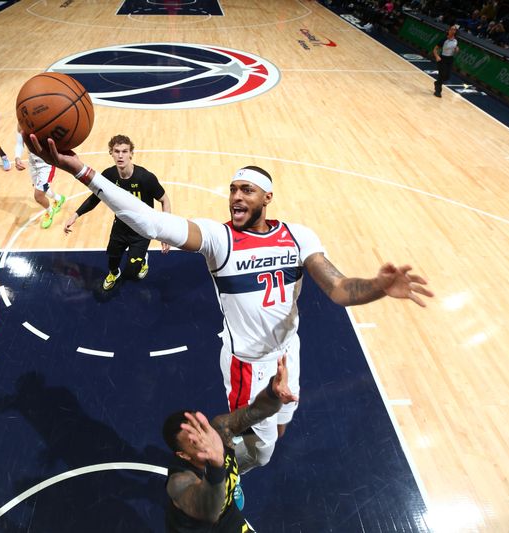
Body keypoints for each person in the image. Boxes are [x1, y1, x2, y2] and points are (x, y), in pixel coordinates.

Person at [31, 136, 434, 475]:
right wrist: (82, 171)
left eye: (246, 191)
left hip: (288, 353)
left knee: (278, 429)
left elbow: (340, 289)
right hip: (248, 365)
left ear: (267, 198)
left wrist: (380, 287)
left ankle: (234, 449)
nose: (235, 198)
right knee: (262, 453)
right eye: (233, 190)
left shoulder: (298, 236)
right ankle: (216, 471)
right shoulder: (218, 239)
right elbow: (149, 222)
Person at [163, 356, 297, 532]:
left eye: (201, 427)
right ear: (183, 455)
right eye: (193, 440)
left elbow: (256, 411)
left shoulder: (220, 429)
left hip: (228, 520)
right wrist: (217, 465)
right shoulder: (179, 482)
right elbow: (210, 510)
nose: (204, 437)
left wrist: (273, 393)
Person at [64, 135, 171, 290]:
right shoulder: (108, 176)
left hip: (141, 232)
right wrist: (75, 215)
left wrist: (165, 232)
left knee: (133, 273)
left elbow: (165, 200)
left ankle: (142, 260)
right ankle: (114, 273)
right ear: (111, 153)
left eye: (124, 151)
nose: (120, 155)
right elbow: (95, 198)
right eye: (117, 151)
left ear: (131, 154)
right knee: (112, 262)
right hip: (120, 227)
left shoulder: (145, 178)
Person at [15, 126, 66, 229]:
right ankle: (59, 199)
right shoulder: (21, 122)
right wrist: (17, 157)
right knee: (42, 188)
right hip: (33, 163)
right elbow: (20, 143)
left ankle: (49, 211)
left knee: (38, 196)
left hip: (47, 163)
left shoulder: (43, 119)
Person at [433, 24, 459, 97]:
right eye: (451, 29)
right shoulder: (444, 40)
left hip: (450, 59)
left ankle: (437, 83)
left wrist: (457, 49)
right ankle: (438, 91)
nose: (453, 31)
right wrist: (437, 56)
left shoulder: (456, 40)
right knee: (441, 75)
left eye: (454, 30)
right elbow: (435, 49)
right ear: (449, 31)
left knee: (447, 77)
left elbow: (456, 47)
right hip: (443, 59)